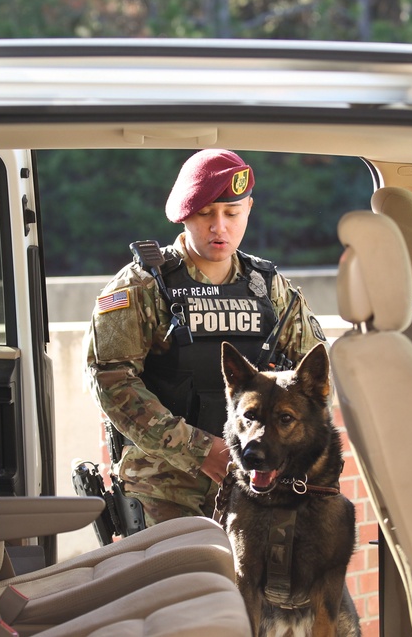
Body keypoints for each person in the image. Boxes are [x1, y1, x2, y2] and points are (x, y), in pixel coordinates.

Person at [84, 149, 327, 527]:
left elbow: (315, 376)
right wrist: (201, 450)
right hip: (164, 487)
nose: (220, 227)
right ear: (184, 214)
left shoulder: (269, 289)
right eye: (205, 214)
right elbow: (111, 381)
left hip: (259, 480)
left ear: (248, 208)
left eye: (232, 213)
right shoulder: (143, 286)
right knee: (176, 583)